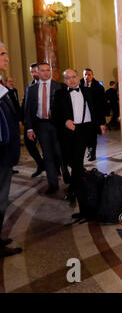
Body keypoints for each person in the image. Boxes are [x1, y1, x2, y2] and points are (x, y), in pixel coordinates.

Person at [52, 69, 106, 200]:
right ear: (64, 81)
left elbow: (96, 109)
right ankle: (81, 176)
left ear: (78, 77)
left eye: (74, 77)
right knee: (69, 159)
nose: (72, 80)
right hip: (68, 131)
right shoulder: (59, 94)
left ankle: (74, 190)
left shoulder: (87, 91)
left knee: (77, 159)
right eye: (68, 78)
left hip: (84, 129)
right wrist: (65, 121)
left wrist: (101, 123)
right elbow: (54, 115)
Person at [25, 62, 66, 194]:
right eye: (42, 70)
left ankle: (68, 178)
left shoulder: (59, 86)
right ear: (37, 72)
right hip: (41, 125)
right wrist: (29, 129)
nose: (46, 73)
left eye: (48, 70)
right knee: (47, 155)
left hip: (57, 125)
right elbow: (28, 110)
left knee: (61, 153)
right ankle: (53, 184)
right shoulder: (31, 89)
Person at [0, 42, 22, 258]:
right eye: (2, 54)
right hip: (1, 154)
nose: (7, 58)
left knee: (2, 198)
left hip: (5, 154)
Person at [22, 63, 45, 178]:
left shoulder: (47, 85)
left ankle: (55, 169)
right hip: (31, 123)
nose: (33, 74)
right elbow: (25, 104)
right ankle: (40, 164)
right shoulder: (29, 86)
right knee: (29, 144)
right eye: (31, 72)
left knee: (47, 147)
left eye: (35, 71)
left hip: (43, 123)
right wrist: (22, 119)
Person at [80, 68, 106, 161]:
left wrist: (102, 122)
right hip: (81, 116)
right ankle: (89, 150)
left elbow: (102, 105)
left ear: (92, 75)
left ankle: (92, 152)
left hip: (94, 116)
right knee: (84, 136)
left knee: (92, 135)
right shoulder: (79, 85)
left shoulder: (98, 87)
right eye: (85, 74)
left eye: (89, 74)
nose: (87, 76)